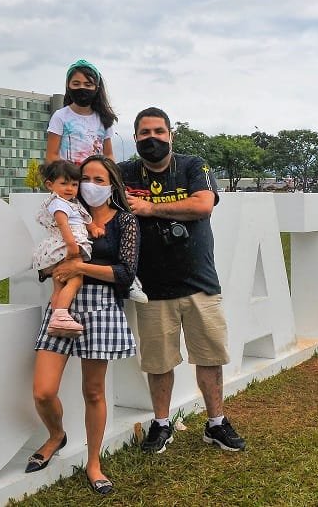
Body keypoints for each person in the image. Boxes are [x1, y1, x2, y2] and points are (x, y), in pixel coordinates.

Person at [119, 107, 246, 454]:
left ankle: (216, 423)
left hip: (199, 282)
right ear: (135, 138)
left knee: (209, 357)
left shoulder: (192, 166)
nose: (152, 139)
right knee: (159, 363)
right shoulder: (125, 173)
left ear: (170, 135)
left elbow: (203, 205)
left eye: (159, 132)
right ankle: (162, 424)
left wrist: (149, 208)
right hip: (151, 288)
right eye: (145, 133)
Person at [27, 155, 140, 495]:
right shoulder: (68, 212)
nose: (89, 185)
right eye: (84, 178)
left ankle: (93, 462)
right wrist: (56, 271)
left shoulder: (125, 221)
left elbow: (125, 273)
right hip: (62, 303)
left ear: (112, 185)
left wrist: (80, 268)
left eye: (98, 180)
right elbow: (49, 260)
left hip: (100, 305)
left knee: (93, 391)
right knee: (43, 391)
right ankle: (56, 435)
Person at [46, 59, 147, 303]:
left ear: (97, 87)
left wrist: (110, 179)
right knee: (72, 232)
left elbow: (109, 154)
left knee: (115, 227)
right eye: (76, 83)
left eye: (88, 84)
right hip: (72, 185)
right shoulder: (61, 116)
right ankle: (63, 293)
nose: (82, 88)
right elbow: (51, 155)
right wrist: (65, 181)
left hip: (95, 179)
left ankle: (128, 276)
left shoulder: (103, 119)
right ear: (68, 86)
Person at [31, 160, 102, 335]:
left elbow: (82, 219)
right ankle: (61, 316)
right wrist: (72, 246)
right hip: (66, 248)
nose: (70, 188)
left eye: (74, 184)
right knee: (76, 281)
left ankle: (55, 320)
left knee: (59, 286)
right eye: (64, 183)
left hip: (59, 250)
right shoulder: (59, 203)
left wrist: (93, 228)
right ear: (50, 185)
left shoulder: (70, 203)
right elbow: (64, 226)